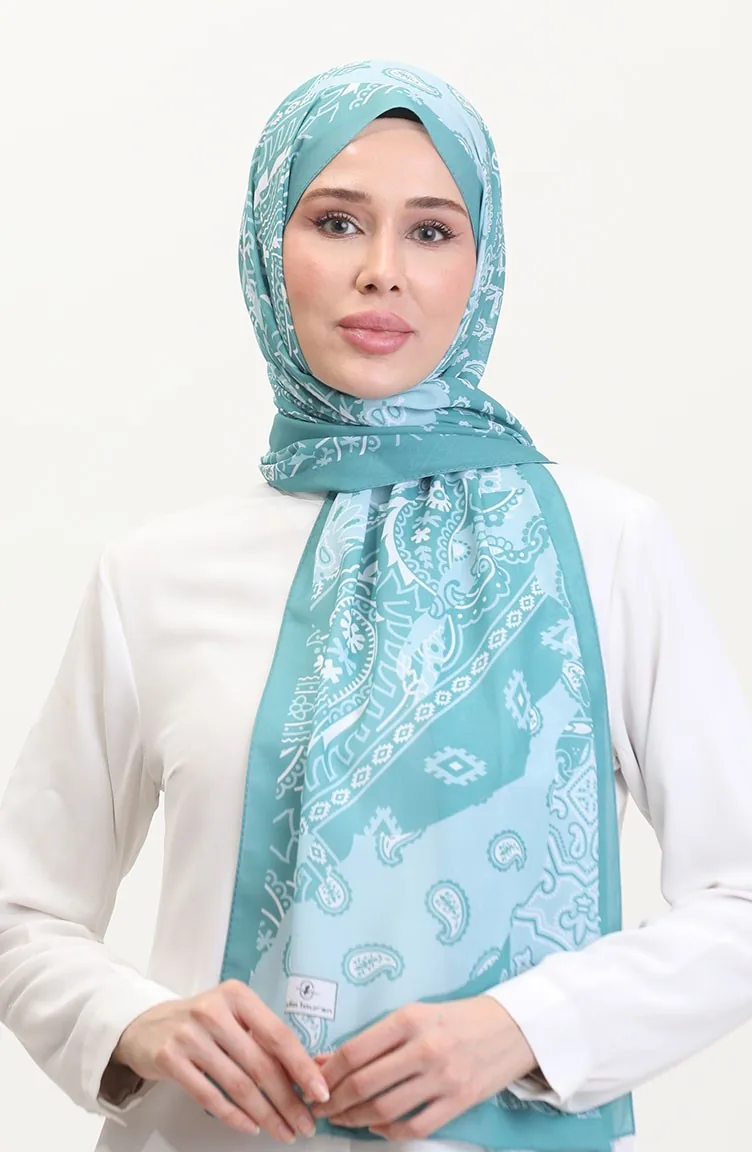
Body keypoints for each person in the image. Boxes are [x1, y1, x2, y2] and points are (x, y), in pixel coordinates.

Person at [1, 59, 752, 1152]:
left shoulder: (606, 547)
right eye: (337, 222)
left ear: (481, 265)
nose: (382, 273)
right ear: (268, 250)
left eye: (431, 231)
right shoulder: (154, 576)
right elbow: (21, 911)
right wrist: (133, 1021)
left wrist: (522, 1027)